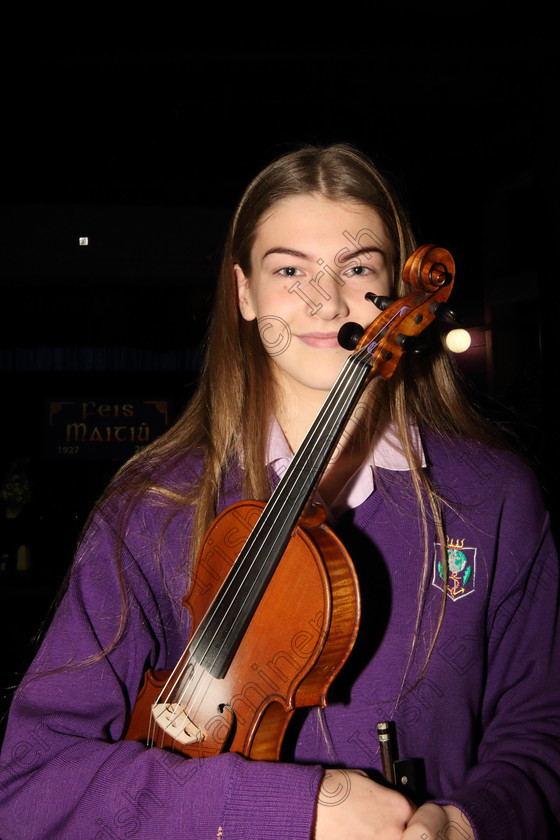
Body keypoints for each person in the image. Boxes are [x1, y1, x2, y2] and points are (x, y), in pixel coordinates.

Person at [0, 144, 559, 840]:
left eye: (357, 269)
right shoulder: (153, 500)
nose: (324, 300)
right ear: (243, 293)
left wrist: (471, 822)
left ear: (399, 291)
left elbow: (540, 732)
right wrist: (288, 808)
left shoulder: (493, 493)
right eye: (289, 270)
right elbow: (28, 779)